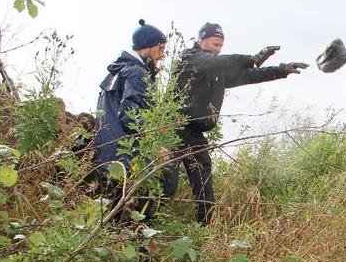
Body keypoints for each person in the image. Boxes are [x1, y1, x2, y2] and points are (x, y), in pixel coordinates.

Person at [165, 22, 308, 225]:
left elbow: (249, 75)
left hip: (196, 135)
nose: (218, 49)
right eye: (215, 44)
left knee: (205, 194)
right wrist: (252, 58)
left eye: (221, 46)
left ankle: (201, 235)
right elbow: (219, 62)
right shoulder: (189, 59)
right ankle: (138, 226)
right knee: (166, 185)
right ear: (201, 40)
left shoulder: (216, 70)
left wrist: (282, 69)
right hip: (174, 130)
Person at [94, 19, 169, 221]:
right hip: (126, 155)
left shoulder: (118, 70)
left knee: (110, 214)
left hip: (107, 151)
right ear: (151, 46)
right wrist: (153, 147)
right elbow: (131, 116)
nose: (163, 55)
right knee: (139, 213)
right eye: (161, 48)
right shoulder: (137, 72)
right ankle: (141, 250)